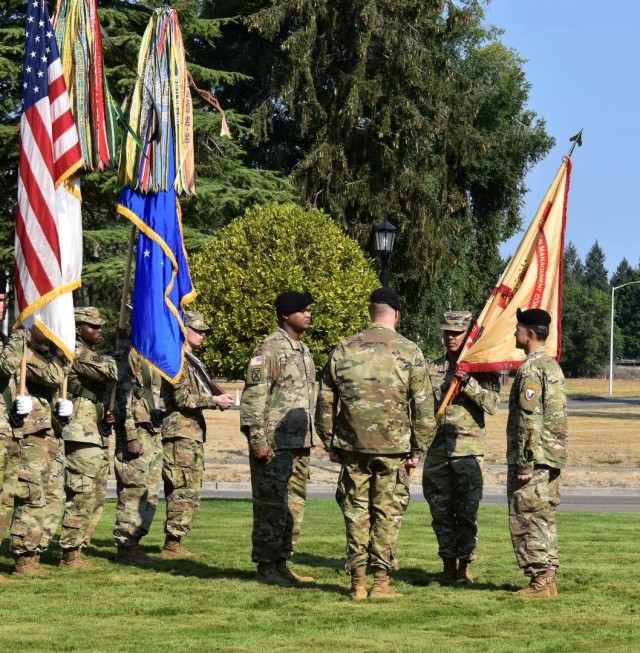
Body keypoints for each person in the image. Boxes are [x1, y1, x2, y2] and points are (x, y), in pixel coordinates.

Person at [315, 287, 436, 600]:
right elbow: (423, 405)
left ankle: (357, 583)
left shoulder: (344, 348)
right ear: (396, 314)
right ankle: (380, 583)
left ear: (371, 312)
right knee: (387, 513)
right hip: (394, 448)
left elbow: (325, 399)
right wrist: (419, 449)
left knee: (356, 513)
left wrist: (330, 440)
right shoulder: (409, 351)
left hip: (353, 446)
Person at [240, 291, 316, 584]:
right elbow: (253, 398)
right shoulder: (269, 350)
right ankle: (266, 564)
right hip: (273, 444)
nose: (308, 314)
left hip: (299, 443)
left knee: (294, 506)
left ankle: (282, 561)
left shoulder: (303, 350)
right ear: (285, 315)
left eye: (309, 310)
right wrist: (257, 440)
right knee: (271, 504)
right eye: (302, 310)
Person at [422, 311, 500, 584]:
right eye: (447, 332)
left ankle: (465, 567)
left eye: (457, 333)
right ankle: (447, 566)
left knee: (467, 512)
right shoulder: (431, 369)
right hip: (436, 451)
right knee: (440, 512)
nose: (451, 338)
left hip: (467, 452)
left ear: (469, 335)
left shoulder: (483, 370)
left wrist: (468, 383)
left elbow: (492, 405)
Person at [160, 311, 234, 557]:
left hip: (190, 432)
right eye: (198, 330)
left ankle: (176, 541)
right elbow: (181, 398)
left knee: (190, 487)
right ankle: (172, 544)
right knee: (182, 486)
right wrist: (213, 400)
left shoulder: (190, 361)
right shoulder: (177, 361)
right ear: (184, 330)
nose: (203, 335)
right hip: (180, 432)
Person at [507, 307, 568, 597]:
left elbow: (529, 420)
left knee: (527, 517)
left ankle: (540, 580)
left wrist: (524, 463)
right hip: (552, 457)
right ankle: (547, 578)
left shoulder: (530, 370)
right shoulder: (552, 366)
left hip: (536, 458)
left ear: (530, 334)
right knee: (545, 518)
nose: (514, 333)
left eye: (518, 329)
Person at [58, 307, 118, 569]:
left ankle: (79, 547)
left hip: (95, 433)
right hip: (80, 435)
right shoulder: (75, 351)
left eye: (100, 325)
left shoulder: (90, 353)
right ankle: (70, 553)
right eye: (93, 326)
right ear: (78, 328)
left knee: (96, 495)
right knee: (82, 494)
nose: (99, 330)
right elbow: (112, 372)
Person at [9, 325, 71, 576]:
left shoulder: (43, 353)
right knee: (31, 494)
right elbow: (53, 375)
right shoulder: (23, 352)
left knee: (54, 496)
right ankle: (24, 558)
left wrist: (61, 407)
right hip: (29, 433)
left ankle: (36, 551)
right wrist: (62, 352)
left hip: (49, 431)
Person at [113, 348, 164, 565]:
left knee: (150, 493)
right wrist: (131, 436)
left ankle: (135, 543)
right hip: (137, 435)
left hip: (152, 431)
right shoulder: (129, 356)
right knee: (133, 492)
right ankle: (125, 547)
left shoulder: (152, 355)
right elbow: (123, 400)